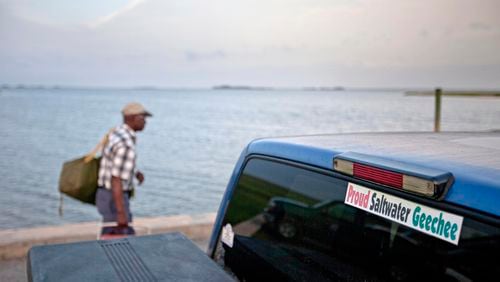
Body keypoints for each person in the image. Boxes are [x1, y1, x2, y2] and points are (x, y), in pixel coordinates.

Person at [96, 102, 152, 236]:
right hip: (114, 197)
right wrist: (121, 213)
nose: (145, 122)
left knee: (111, 237)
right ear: (133, 118)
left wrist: (135, 172)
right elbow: (116, 179)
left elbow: (114, 162)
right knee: (121, 240)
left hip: (105, 195)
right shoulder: (126, 144)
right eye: (143, 118)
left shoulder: (117, 132)